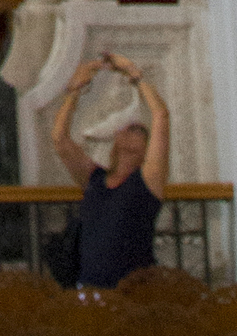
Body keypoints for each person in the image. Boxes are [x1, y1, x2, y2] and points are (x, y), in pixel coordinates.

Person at [47, 51, 169, 284]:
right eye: (128, 128)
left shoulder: (147, 181)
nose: (132, 131)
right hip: (90, 290)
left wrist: (134, 74)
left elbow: (161, 115)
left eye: (140, 131)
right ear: (115, 140)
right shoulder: (95, 177)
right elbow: (60, 140)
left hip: (132, 293)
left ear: (147, 148)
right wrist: (74, 92)